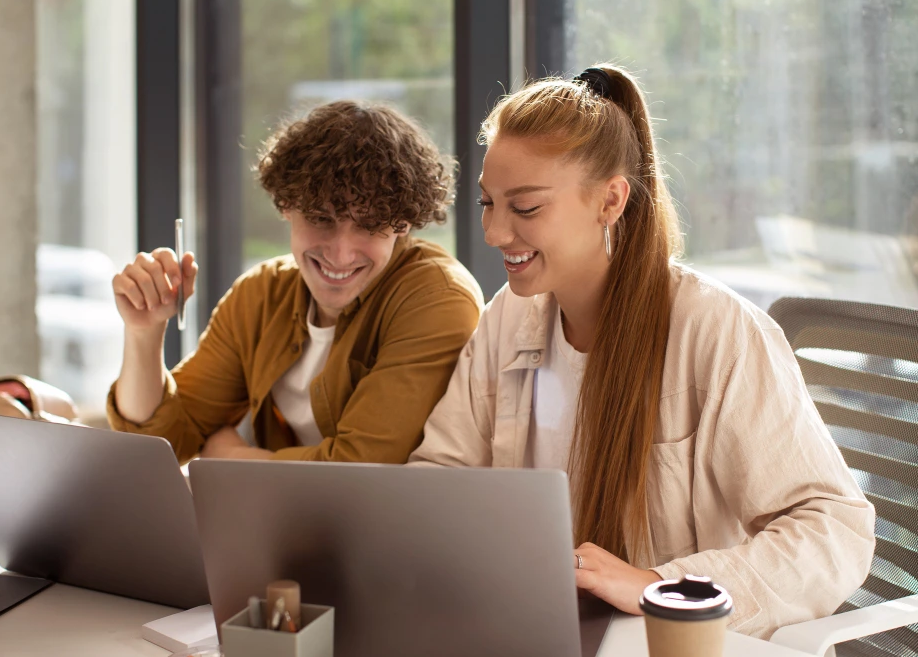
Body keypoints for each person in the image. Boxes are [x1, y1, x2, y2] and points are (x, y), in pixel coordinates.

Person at [408, 66, 875, 638]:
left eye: (525, 209)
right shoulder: (510, 315)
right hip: (536, 629)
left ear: (610, 200)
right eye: (487, 203)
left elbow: (834, 530)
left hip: (665, 642)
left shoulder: (715, 331)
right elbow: (439, 475)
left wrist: (660, 584)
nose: (495, 232)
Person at [107, 100, 483, 464]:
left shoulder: (437, 298)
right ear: (287, 205)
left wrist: (233, 458)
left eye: (369, 226)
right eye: (322, 218)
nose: (340, 253)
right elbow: (156, 446)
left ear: (402, 224)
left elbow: (365, 469)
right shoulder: (261, 294)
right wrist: (144, 332)